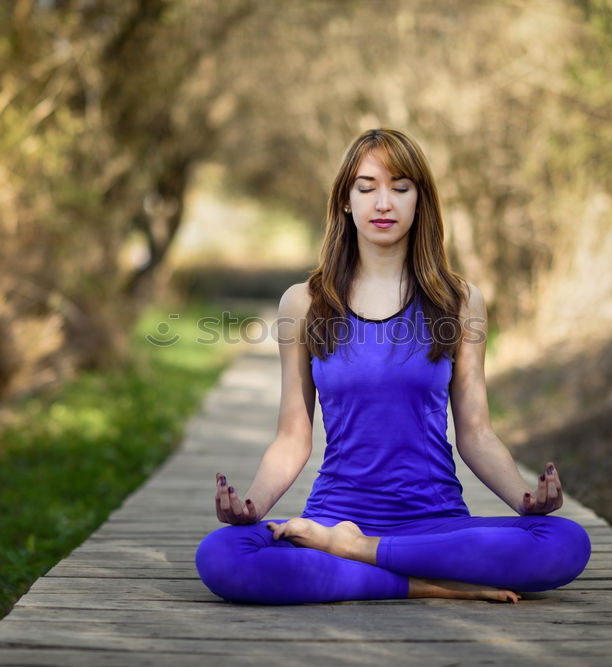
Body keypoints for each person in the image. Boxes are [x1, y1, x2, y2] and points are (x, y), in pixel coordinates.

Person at [195, 128, 591, 605]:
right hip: (334, 517)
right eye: (367, 188)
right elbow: (293, 436)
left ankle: (361, 554)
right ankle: (421, 582)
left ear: (420, 200)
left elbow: (477, 432)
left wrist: (525, 502)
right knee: (222, 554)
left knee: (565, 542)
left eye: (400, 188)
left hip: (436, 522)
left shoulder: (459, 301)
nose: (384, 203)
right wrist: (253, 505)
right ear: (346, 200)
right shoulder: (304, 303)